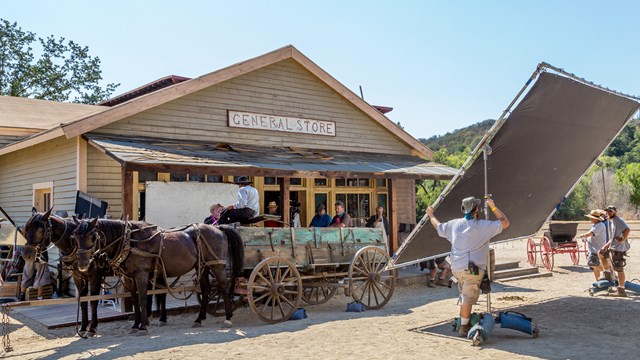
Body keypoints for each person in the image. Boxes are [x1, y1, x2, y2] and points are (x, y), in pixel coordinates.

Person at [425, 197, 509, 337]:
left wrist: (430, 214)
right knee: (467, 299)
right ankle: (463, 327)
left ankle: (464, 320)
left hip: (457, 268)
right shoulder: (482, 225)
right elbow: (505, 222)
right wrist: (493, 207)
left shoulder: (454, 224)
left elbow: (438, 226)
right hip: (473, 270)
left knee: (465, 295)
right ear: (476, 209)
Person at [600, 205, 631, 297]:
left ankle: (621, 290)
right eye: (608, 211)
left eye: (611, 211)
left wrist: (622, 239)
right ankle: (607, 274)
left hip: (618, 249)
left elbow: (627, 229)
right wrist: (605, 246)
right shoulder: (612, 221)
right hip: (612, 247)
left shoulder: (618, 220)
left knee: (619, 269)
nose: (609, 213)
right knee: (601, 253)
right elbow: (612, 237)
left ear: (615, 211)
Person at [578, 210, 608, 281]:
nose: (590, 219)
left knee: (595, 265)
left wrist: (583, 235)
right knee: (594, 266)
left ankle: (608, 271)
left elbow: (591, 233)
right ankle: (598, 280)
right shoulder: (595, 225)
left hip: (597, 249)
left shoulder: (599, 226)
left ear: (595, 219)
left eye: (591, 218)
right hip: (594, 249)